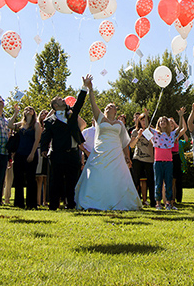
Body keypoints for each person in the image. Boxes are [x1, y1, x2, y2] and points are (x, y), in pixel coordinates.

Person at [74, 77, 142, 211]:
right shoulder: (100, 118)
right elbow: (92, 102)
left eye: (112, 105)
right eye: (107, 106)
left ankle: (120, 201)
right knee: (97, 176)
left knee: (117, 177)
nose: (109, 106)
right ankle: (93, 201)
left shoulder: (120, 124)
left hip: (116, 153)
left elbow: (124, 142)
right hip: (101, 152)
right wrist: (90, 88)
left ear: (116, 110)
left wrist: (127, 157)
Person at [40, 75, 91, 210]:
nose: (63, 99)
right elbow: (45, 136)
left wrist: (84, 87)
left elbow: (79, 102)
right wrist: (44, 149)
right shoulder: (49, 121)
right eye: (59, 99)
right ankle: (54, 205)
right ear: (55, 106)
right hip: (57, 154)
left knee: (72, 180)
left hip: (73, 153)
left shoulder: (71, 114)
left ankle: (71, 204)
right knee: (55, 181)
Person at [152, 111, 187, 210]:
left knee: (168, 183)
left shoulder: (171, 134)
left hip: (168, 162)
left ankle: (168, 203)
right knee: (158, 183)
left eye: (164, 121)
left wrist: (180, 117)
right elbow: (147, 129)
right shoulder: (155, 133)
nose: (163, 122)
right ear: (158, 123)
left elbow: (179, 128)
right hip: (158, 162)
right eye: (161, 121)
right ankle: (158, 203)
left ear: (167, 124)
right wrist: (146, 116)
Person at [11, 106, 42, 209]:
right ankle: (19, 203)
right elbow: (9, 125)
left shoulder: (36, 125)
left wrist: (32, 154)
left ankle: (31, 204)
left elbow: (37, 139)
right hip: (19, 154)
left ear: (34, 112)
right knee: (18, 179)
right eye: (26, 109)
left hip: (31, 154)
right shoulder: (21, 125)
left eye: (31, 109)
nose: (28, 110)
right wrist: (15, 113)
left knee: (30, 179)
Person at [129, 110, 156, 208]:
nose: (144, 122)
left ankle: (153, 202)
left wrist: (149, 136)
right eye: (142, 120)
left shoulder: (152, 131)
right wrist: (138, 136)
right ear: (139, 121)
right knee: (135, 181)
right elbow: (131, 146)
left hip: (149, 160)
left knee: (151, 182)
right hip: (137, 159)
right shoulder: (135, 131)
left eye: (146, 120)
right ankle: (134, 202)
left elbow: (155, 145)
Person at [35, 110, 51, 208]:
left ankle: (45, 201)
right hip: (39, 150)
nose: (44, 115)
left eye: (46, 114)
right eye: (42, 114)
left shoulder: (50, 125)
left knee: (46, 178)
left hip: (49, 151)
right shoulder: (37, 126)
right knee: (39, 177)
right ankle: (38, 201)